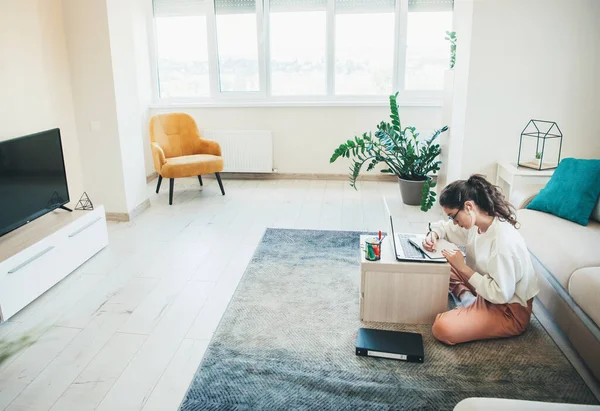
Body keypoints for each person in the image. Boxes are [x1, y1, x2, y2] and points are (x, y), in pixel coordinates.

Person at [422, 174, 539, 345]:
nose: (454, 222)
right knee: (442, 262)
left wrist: (463, 268)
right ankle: (468, 299)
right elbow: (445, 229)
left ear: (468, 206)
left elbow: (501, 294)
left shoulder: (502, 243)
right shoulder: (479, 224)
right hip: (486, 291)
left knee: (442, 327)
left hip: (508, 309)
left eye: (454, 217)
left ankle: (470, 305)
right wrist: (433, 234)